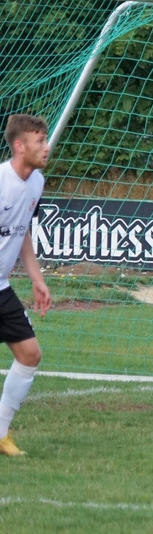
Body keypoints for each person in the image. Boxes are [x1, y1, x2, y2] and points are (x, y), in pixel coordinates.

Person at [0, 115, 53, 457]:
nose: (46, 147)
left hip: (2, 287)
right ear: (19, 146)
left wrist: (37, 279)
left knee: (30, 354)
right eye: (39, 141)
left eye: (45, 140)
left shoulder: (36, 182)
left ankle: (0, 433)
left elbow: (22, 233)